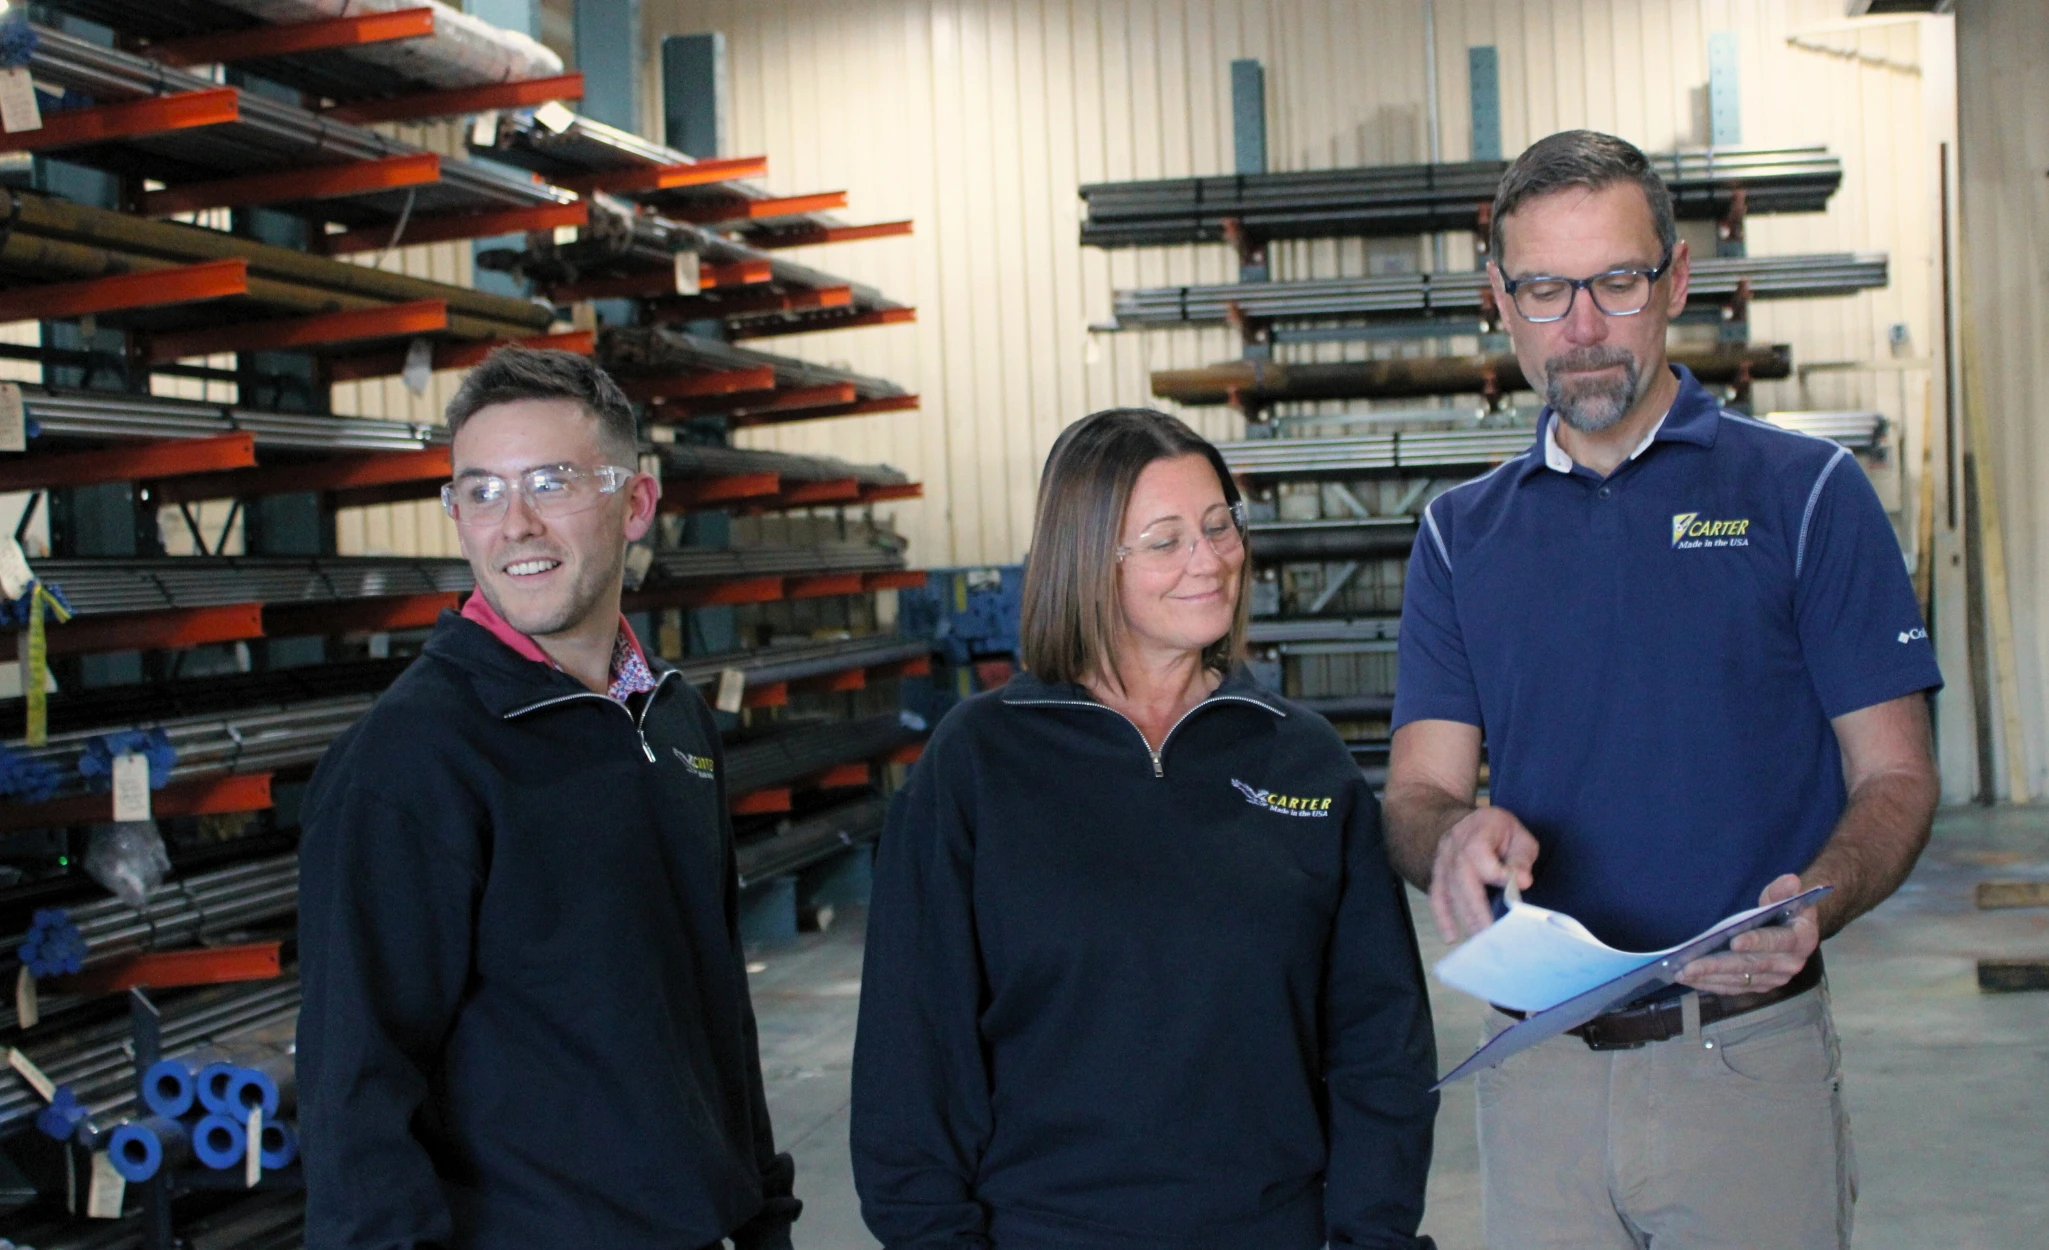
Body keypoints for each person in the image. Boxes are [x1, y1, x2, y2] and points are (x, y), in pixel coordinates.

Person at [1384, 129, 1943, 1250]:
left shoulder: (1807, 495)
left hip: (1742, 1061)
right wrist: (1453, 834)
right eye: (1545, 288)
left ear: (1675, 280)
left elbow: (1896, 772)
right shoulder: (1459, 535)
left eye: (1616, 282)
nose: (1581, 327)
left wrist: (1818, 897)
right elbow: (1416, 792)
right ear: (1500, 301)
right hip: (1537, 1068)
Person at [851, 408, 1438, 1250]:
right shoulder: (977, 763)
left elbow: (1382, 1045)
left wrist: (1371, 1235)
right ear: (1087, 562)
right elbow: (911, 1058)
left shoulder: (1302, 761)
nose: (1209, 561)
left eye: (1218, 526)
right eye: (1165, 541)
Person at [296, 348, 798, 1250]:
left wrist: (762, 1216)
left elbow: (715, 1010)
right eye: (481, 492)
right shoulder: (412, 761)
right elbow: (356, 1092)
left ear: (635, 503)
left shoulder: (673, 721)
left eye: (551, 483)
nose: (514, 524)